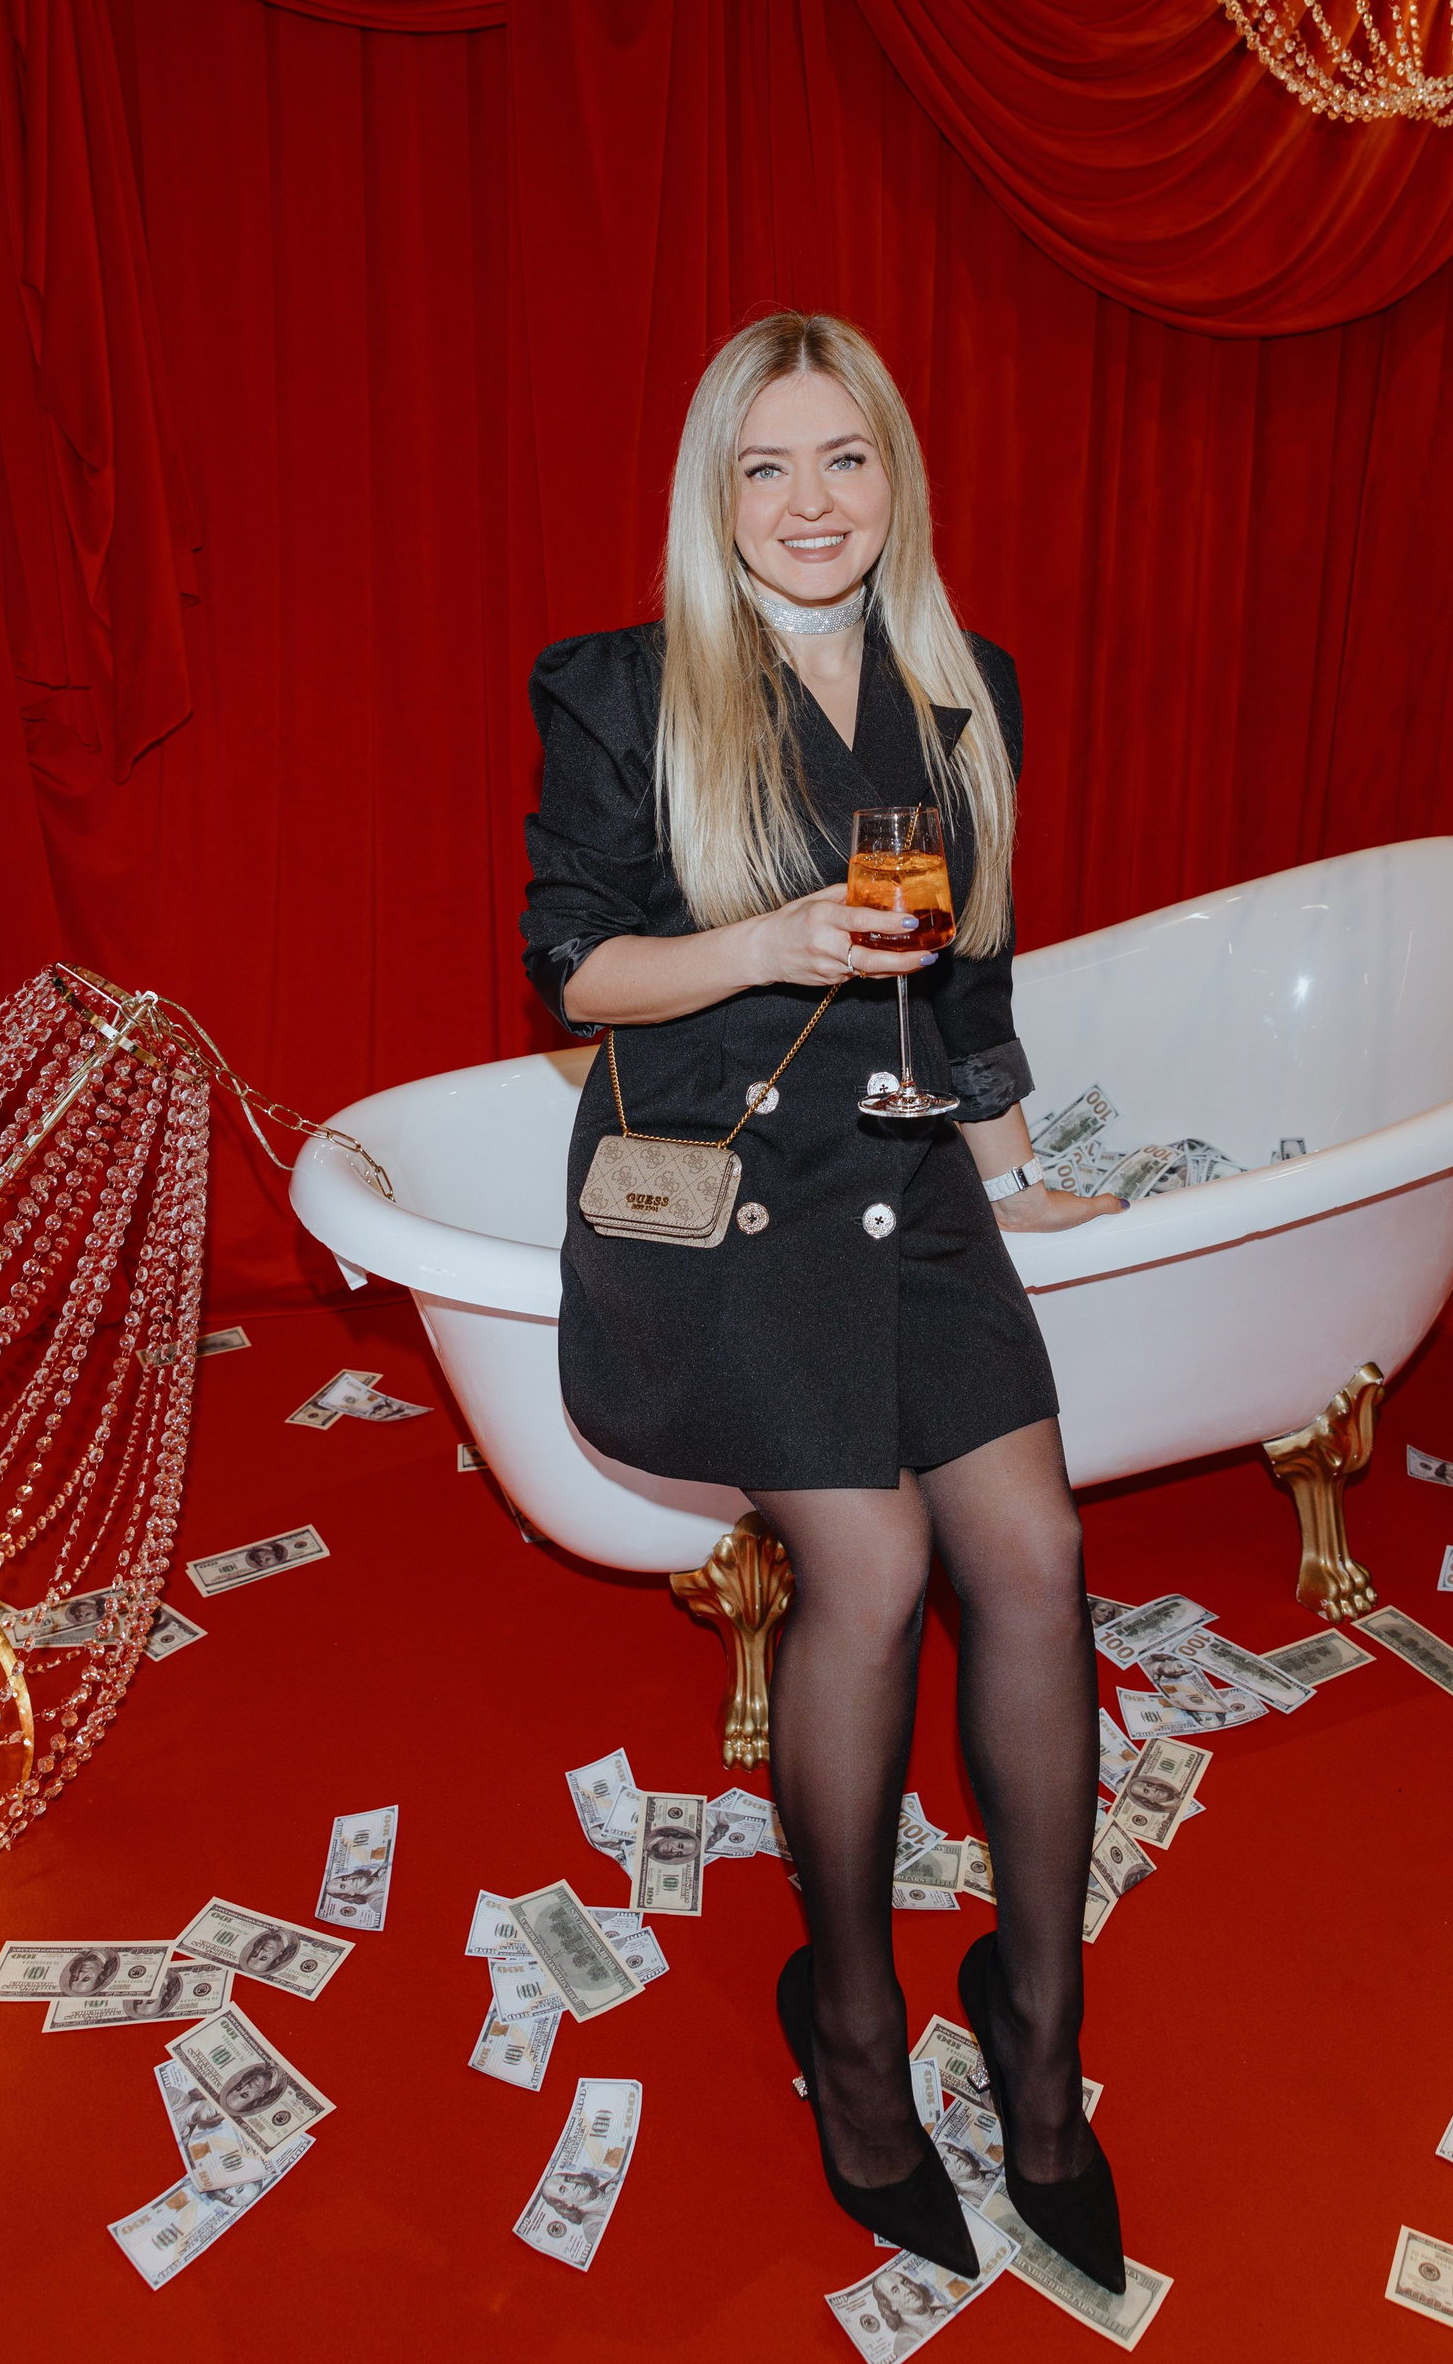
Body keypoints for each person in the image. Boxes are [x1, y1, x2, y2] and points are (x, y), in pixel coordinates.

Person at [521, 312, 1125, 2291]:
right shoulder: (625, 690)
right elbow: (571, 969)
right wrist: (765, 938)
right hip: (722, 1204)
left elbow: (971, 977)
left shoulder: (966, 688)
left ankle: (1038, 2032)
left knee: (1036, 1555)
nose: (809, 501)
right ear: (716, 494)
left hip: (908, 1184)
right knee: (871, 1565)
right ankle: (852, 2029)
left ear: (896, 478)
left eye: (843, 457)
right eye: (765, 465)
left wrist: (1017, 1168)